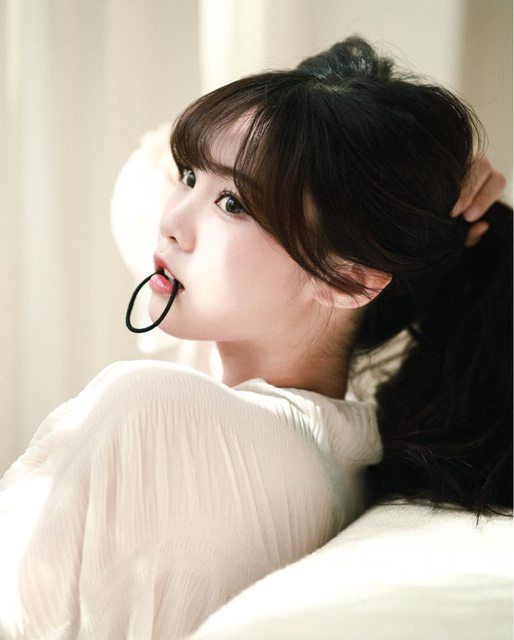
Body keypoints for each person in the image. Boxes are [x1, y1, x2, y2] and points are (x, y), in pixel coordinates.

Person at [0, 36, 510, 640]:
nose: (171, 222)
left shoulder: (160, 417)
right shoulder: (338, 447)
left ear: (348, 279)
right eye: (188, 175)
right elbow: (152, 171)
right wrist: (416, 190)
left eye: (232, 204)